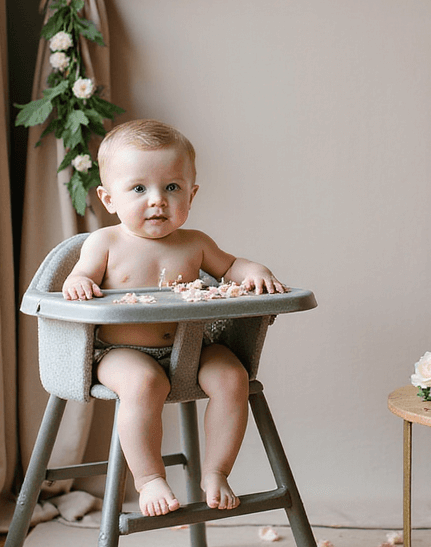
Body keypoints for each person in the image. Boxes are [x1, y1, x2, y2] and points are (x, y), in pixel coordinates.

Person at [62, 119, 285, 517]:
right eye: (138, 188)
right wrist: (79, 282)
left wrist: (253, 271)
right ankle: (149, 479)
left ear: (191, 194)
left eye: (172, 187)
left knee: (233, 377)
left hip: (190, 347)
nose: (157, 200)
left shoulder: (196, 244)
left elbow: (231, 266)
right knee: (144, 382)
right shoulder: (105, 243)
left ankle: (216, 471)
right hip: (120, 351)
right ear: (108, 198)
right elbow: (81, 276)